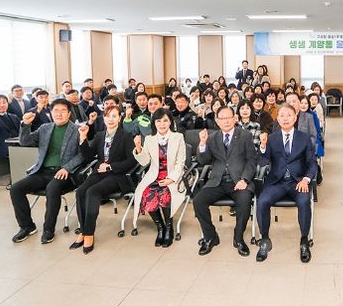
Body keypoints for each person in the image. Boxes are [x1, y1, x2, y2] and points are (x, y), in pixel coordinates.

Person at [9, 100, 83, 244]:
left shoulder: (77, 130)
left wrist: (67, 168)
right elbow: (25, 142)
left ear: (69, 113)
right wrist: (25, 125)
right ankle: (27, 227)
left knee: (52, 188)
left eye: (63, 110)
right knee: (16, 188)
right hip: (42, 172)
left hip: (65, 173)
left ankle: (49, 229)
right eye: (56, 110)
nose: (59, 114)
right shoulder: (45, 128)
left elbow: (82, 155)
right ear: (51, 113)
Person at [255, 104, 318, 263]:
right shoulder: (272, 138)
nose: (285, 118)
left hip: (298, 182)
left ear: (295, 117)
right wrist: (263, 146)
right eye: (282, 115)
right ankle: (265, 239)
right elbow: (263, 162)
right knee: (262, 201)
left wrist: (306, 179)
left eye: (289, 115)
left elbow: (312, 163)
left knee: (304, 202)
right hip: (277, 182)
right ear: (277, 118)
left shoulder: (304, 138)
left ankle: (304, 240)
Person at [72, 105, 137, 254]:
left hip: (117, 175)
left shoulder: (126, 136)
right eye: (108, 116)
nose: (111, 119)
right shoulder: (100, 135)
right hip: (99, 173)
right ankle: (83, 230)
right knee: (81, 191)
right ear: (104, 118)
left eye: (114, 116)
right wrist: (83, 138)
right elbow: (89, 156)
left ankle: (88, 233)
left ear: (119, 118)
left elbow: (132, 161)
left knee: (92, 191)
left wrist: (110, 167)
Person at [194, 106, 258, 256]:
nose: (226, 121)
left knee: (244, 201)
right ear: (217, 121)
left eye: (229, 117)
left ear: (235, 118)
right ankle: (210, 237)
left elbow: (252, 160)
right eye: (222, 118)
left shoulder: (245, 135)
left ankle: (238, 238)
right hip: (217, 181)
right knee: (198, 201)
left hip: (239, 181)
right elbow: (204, 160)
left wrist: (245, 179)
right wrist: (202, 143)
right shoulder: (212, 137)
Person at [132, 109, 187, 248]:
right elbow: (145, 162)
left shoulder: (178, 137)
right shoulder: (149, 139)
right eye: (158, 121)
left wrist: (171, 179)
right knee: (146, 193)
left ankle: (169, 228)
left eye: (165, 121)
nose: (162, 124)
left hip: (172, 175)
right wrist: (138, 148)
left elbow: (180, 163)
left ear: (170, 122)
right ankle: (160, 227)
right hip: (154, 176)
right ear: (154, 123)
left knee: (165, 194)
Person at [0, 94, 21, 158]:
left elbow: (20, 131)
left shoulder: (14, 117)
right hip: (4, 149)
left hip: (18, 147)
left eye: (4, 102)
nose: (2, 105)